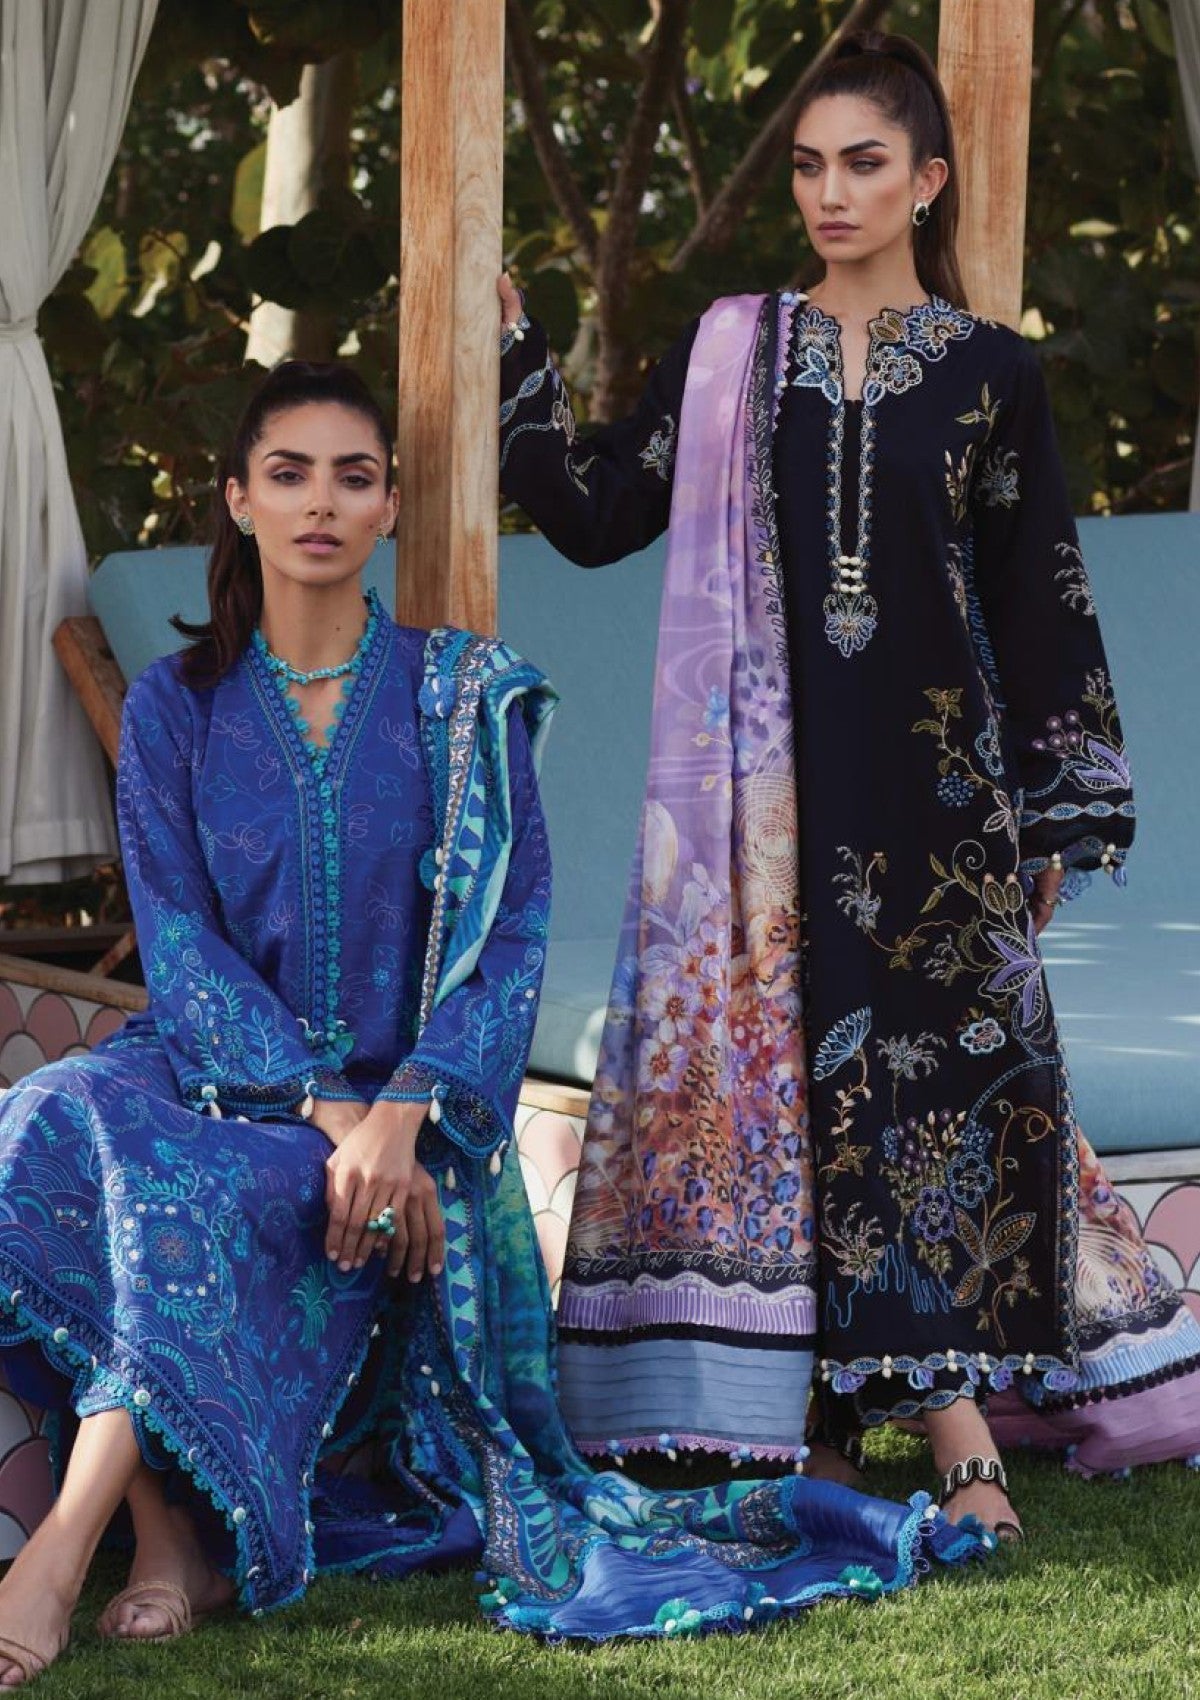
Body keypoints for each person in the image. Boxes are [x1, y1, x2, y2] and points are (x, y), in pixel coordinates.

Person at [0, 361, 988, 1684]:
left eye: (353, 477)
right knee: (48, 1118)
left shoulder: (461, 696)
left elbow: (511, 937)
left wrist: (401, 1114)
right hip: (222, 1075)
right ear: (237, 500)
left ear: (390, 506)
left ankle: (63, 1553)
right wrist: (333, 1114)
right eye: (288, 475)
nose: (319, 504)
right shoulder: (179, 705)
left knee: (191, 1195)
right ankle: (167, 1533)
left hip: (408, 1105)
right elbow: (177, 940)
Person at [496, 30, 1200, 1542]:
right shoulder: (731, 356)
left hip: (940, 805)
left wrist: (1061, 806)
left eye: (864, 164)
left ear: (926, 180)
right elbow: (598, 510)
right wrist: (513, 363)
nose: (830, 192)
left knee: (936, 1091)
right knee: (797, 1089)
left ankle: (928, 1418)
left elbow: (1038, 594)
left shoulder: (994, 375)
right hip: (761, 808)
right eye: (811, 166)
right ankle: (874, 1424)